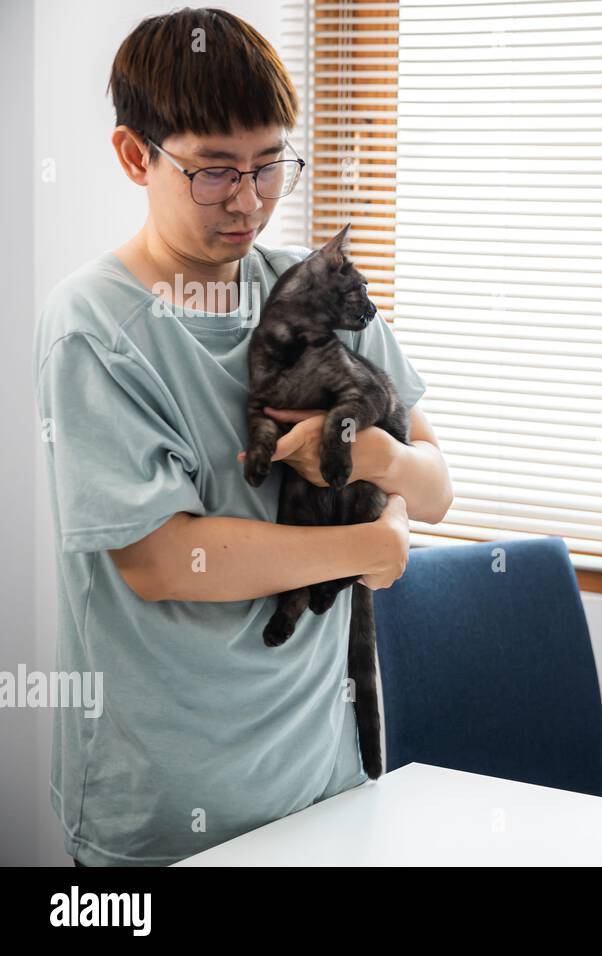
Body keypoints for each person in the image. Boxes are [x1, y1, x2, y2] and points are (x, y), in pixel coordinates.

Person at [34, 8, 452, 867]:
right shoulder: (95, 329)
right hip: (165, 802)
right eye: (215, 171)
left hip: (321, 781)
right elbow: (159, 560)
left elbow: (436, 484)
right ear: (133, 155)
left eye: (271, 166)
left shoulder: (310, 289)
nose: (250, 200)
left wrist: (378, 462)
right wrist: (371, 542)